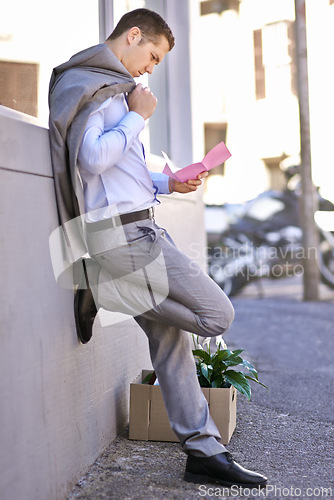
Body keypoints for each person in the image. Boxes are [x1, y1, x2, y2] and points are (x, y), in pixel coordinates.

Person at [48, 8, 267, 488]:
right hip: (124, 236)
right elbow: (91, 158)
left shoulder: (113, 89)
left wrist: (169, 180)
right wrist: (136, 117)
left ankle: (203, 451)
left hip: (129, 227)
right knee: (217, 315)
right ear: (132, 35)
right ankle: (103, 290)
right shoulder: (93, 85)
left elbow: (118, 169)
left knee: (170, 342)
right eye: (153, 55)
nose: (151, 67)